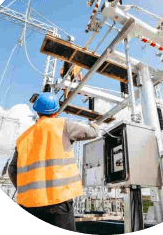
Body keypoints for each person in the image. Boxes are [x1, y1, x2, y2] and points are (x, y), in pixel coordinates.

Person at [8, 92, 99, 231]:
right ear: (56, 112)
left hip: (29, 204)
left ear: (37, 112)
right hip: (58, 202)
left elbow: (12, 170)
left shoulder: (23, 138)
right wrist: (95, 125)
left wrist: (26, 191)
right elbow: (92, 133)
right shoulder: (63, 126)